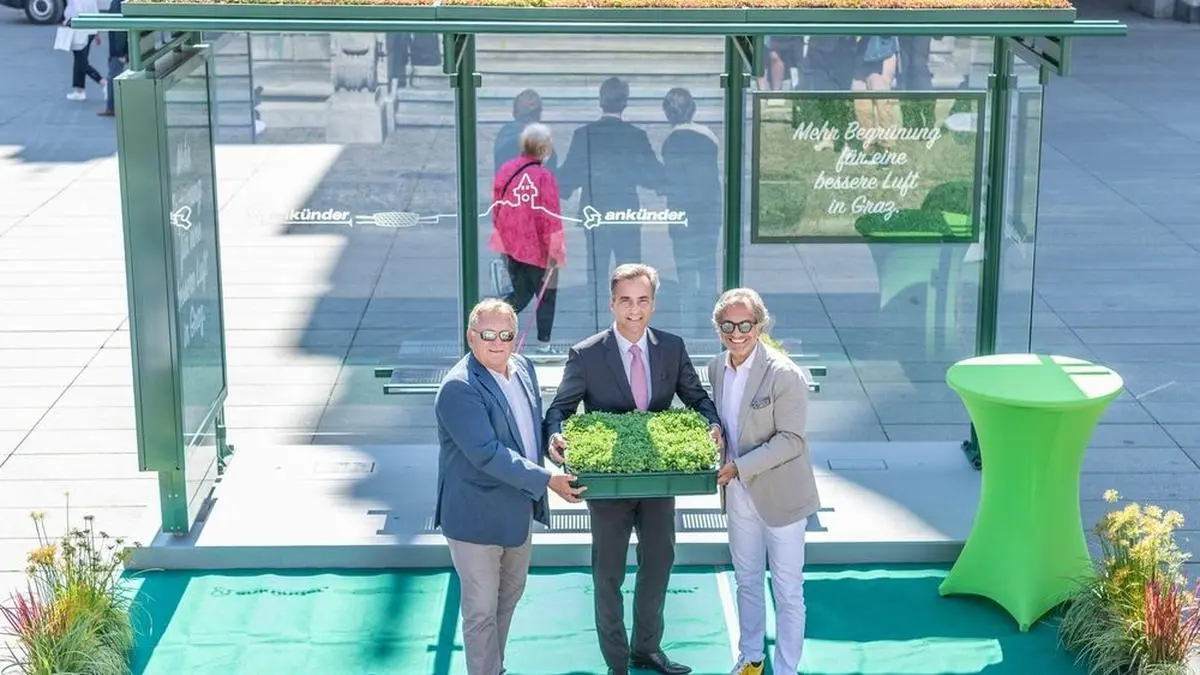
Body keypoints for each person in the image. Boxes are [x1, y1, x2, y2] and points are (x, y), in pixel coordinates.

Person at [544, 263, 723, 675]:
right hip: (608, 486)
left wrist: (711, 423)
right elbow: (559, 410)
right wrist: (555, 437)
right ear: (612, 303)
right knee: (608, 574)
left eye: (642, 300)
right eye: (625, 300)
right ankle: (616, 663)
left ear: (653, 304)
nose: (634, 309)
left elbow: (697, 398)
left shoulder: (672, 348)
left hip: (659, 482)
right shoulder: (587, 354)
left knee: (658, 563)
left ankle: (647, 649)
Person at [434, 298, 585, 675]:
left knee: (509, 595)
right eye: (488, 335)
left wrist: (552, 441)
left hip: (516, 512)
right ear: (471, 337)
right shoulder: (458, 388)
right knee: (481, 610)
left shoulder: (524, 368)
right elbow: (487, 454)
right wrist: (547, 480)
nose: (498, 343)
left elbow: (528, 428)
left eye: (506, 335)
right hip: (475, 519)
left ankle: (493, 668)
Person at [706, 289, 821, 675]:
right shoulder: (716, 368)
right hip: (738, 494)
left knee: (787, 589)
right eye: (728, 326)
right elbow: (726, 423)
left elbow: (791, 440)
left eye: (745, 325)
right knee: (747, 580)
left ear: (760, 325)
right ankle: (751, 658)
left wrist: (739, 467)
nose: (737, 333)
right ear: (718, 328)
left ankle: (787, 669)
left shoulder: (784, 373)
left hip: (782, 497)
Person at [557, 78, 664, 310]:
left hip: (594, 212)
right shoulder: (635, 135)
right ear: (624, 103)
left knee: (596, 270)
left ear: (600, 101)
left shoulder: (584, 134)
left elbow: (570, 174)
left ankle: (594, 313)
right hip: (626, 213)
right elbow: (652, 175)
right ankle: (631, 314)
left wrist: (551, 178)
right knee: (631, 274)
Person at [490, 123, 566, 354]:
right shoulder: (544, 177)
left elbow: (496, 206)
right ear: (544, 149)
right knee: (545, 296)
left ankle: (491, 325)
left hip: (510, 245)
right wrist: (556, 252)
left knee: (520, 294)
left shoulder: (506, 169)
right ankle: (543, 345)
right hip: (538, 249)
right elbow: (551, 217)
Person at [97, 0, 127, 117]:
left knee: (113, 76)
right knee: (114, 75)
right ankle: (113, 106)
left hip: (118, 48)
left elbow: (118, 26)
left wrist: (119, 51)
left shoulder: (117, 3)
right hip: (121, 46)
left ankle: (111, 107)